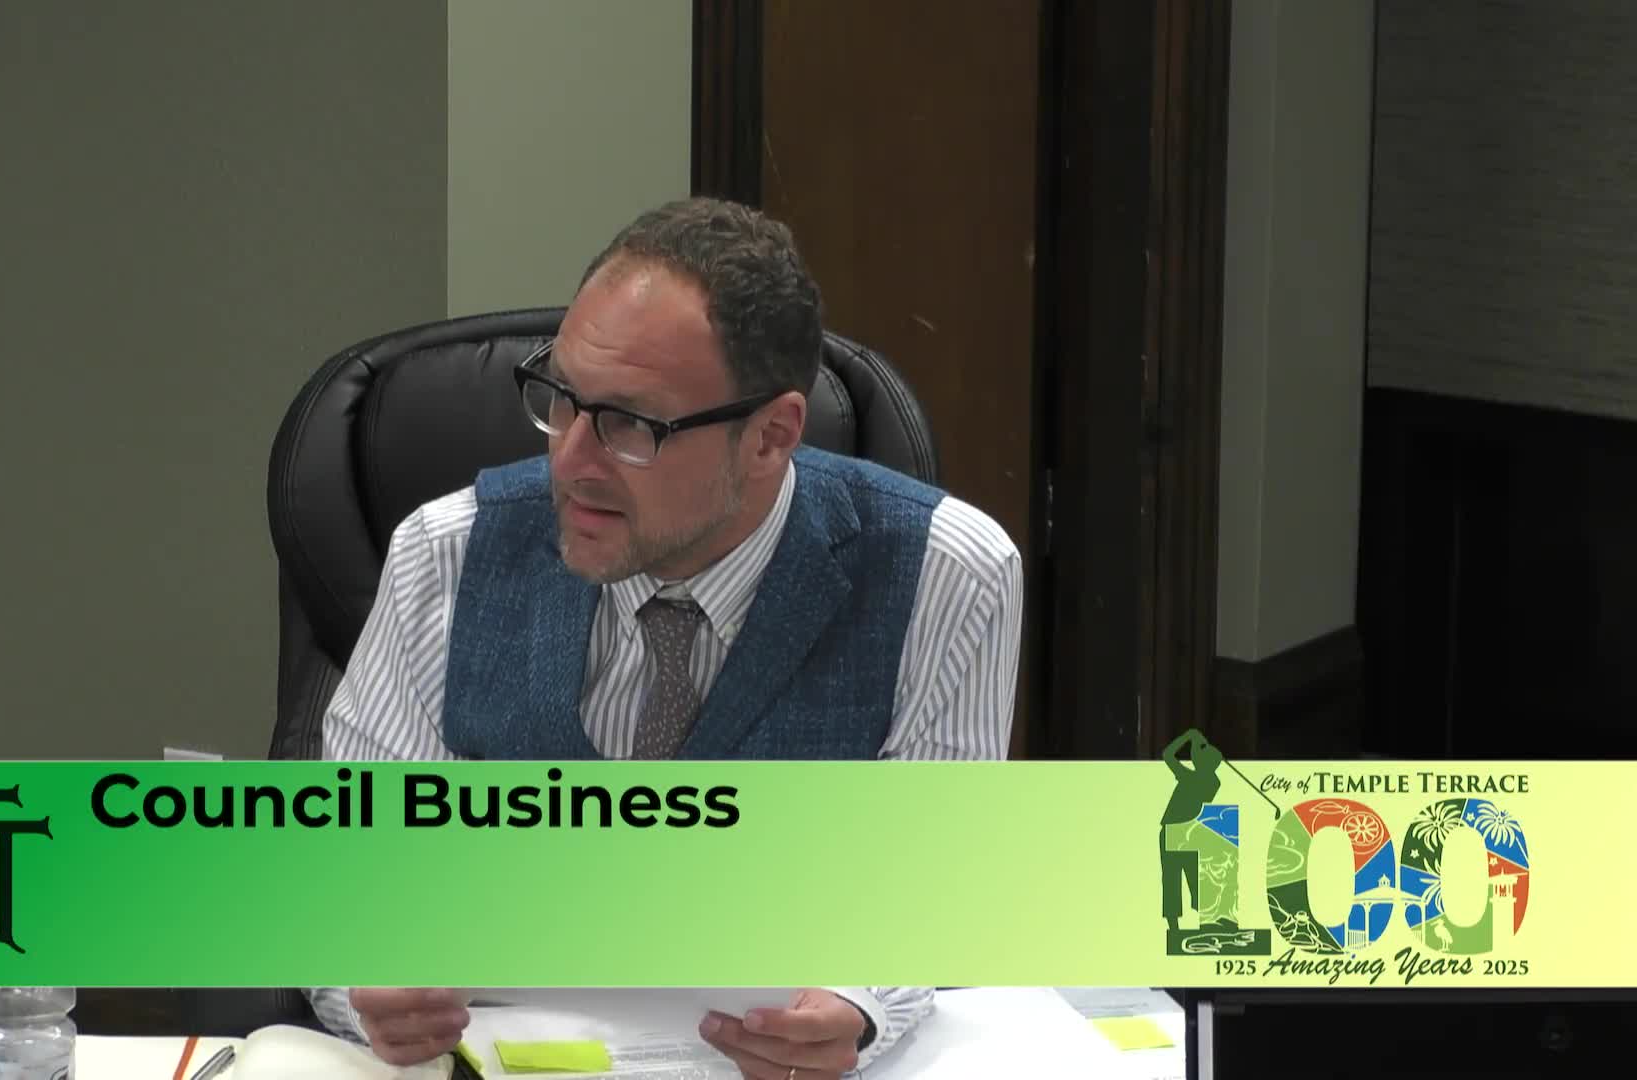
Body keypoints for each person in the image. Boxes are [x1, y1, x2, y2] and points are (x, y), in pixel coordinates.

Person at [309, 196, 1022, 1078]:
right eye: (562, 400)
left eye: (629, 425)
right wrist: (372, 986)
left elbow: (930, 880)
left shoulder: (946, 572)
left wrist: (858, 1005)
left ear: (770, 437)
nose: (571, 459)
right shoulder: (446, 552)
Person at [1159, 728, 1224, 933]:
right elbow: (1197, 757)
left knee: (1177, 880)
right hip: (1188, 833)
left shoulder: (1192, 778)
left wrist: (1189, 737)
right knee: (1188, 879)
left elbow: (1168, 754)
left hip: (1177, 832)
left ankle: (1183, 926)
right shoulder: (1213, 782)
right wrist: (1198, 742)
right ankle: (1197, 924)